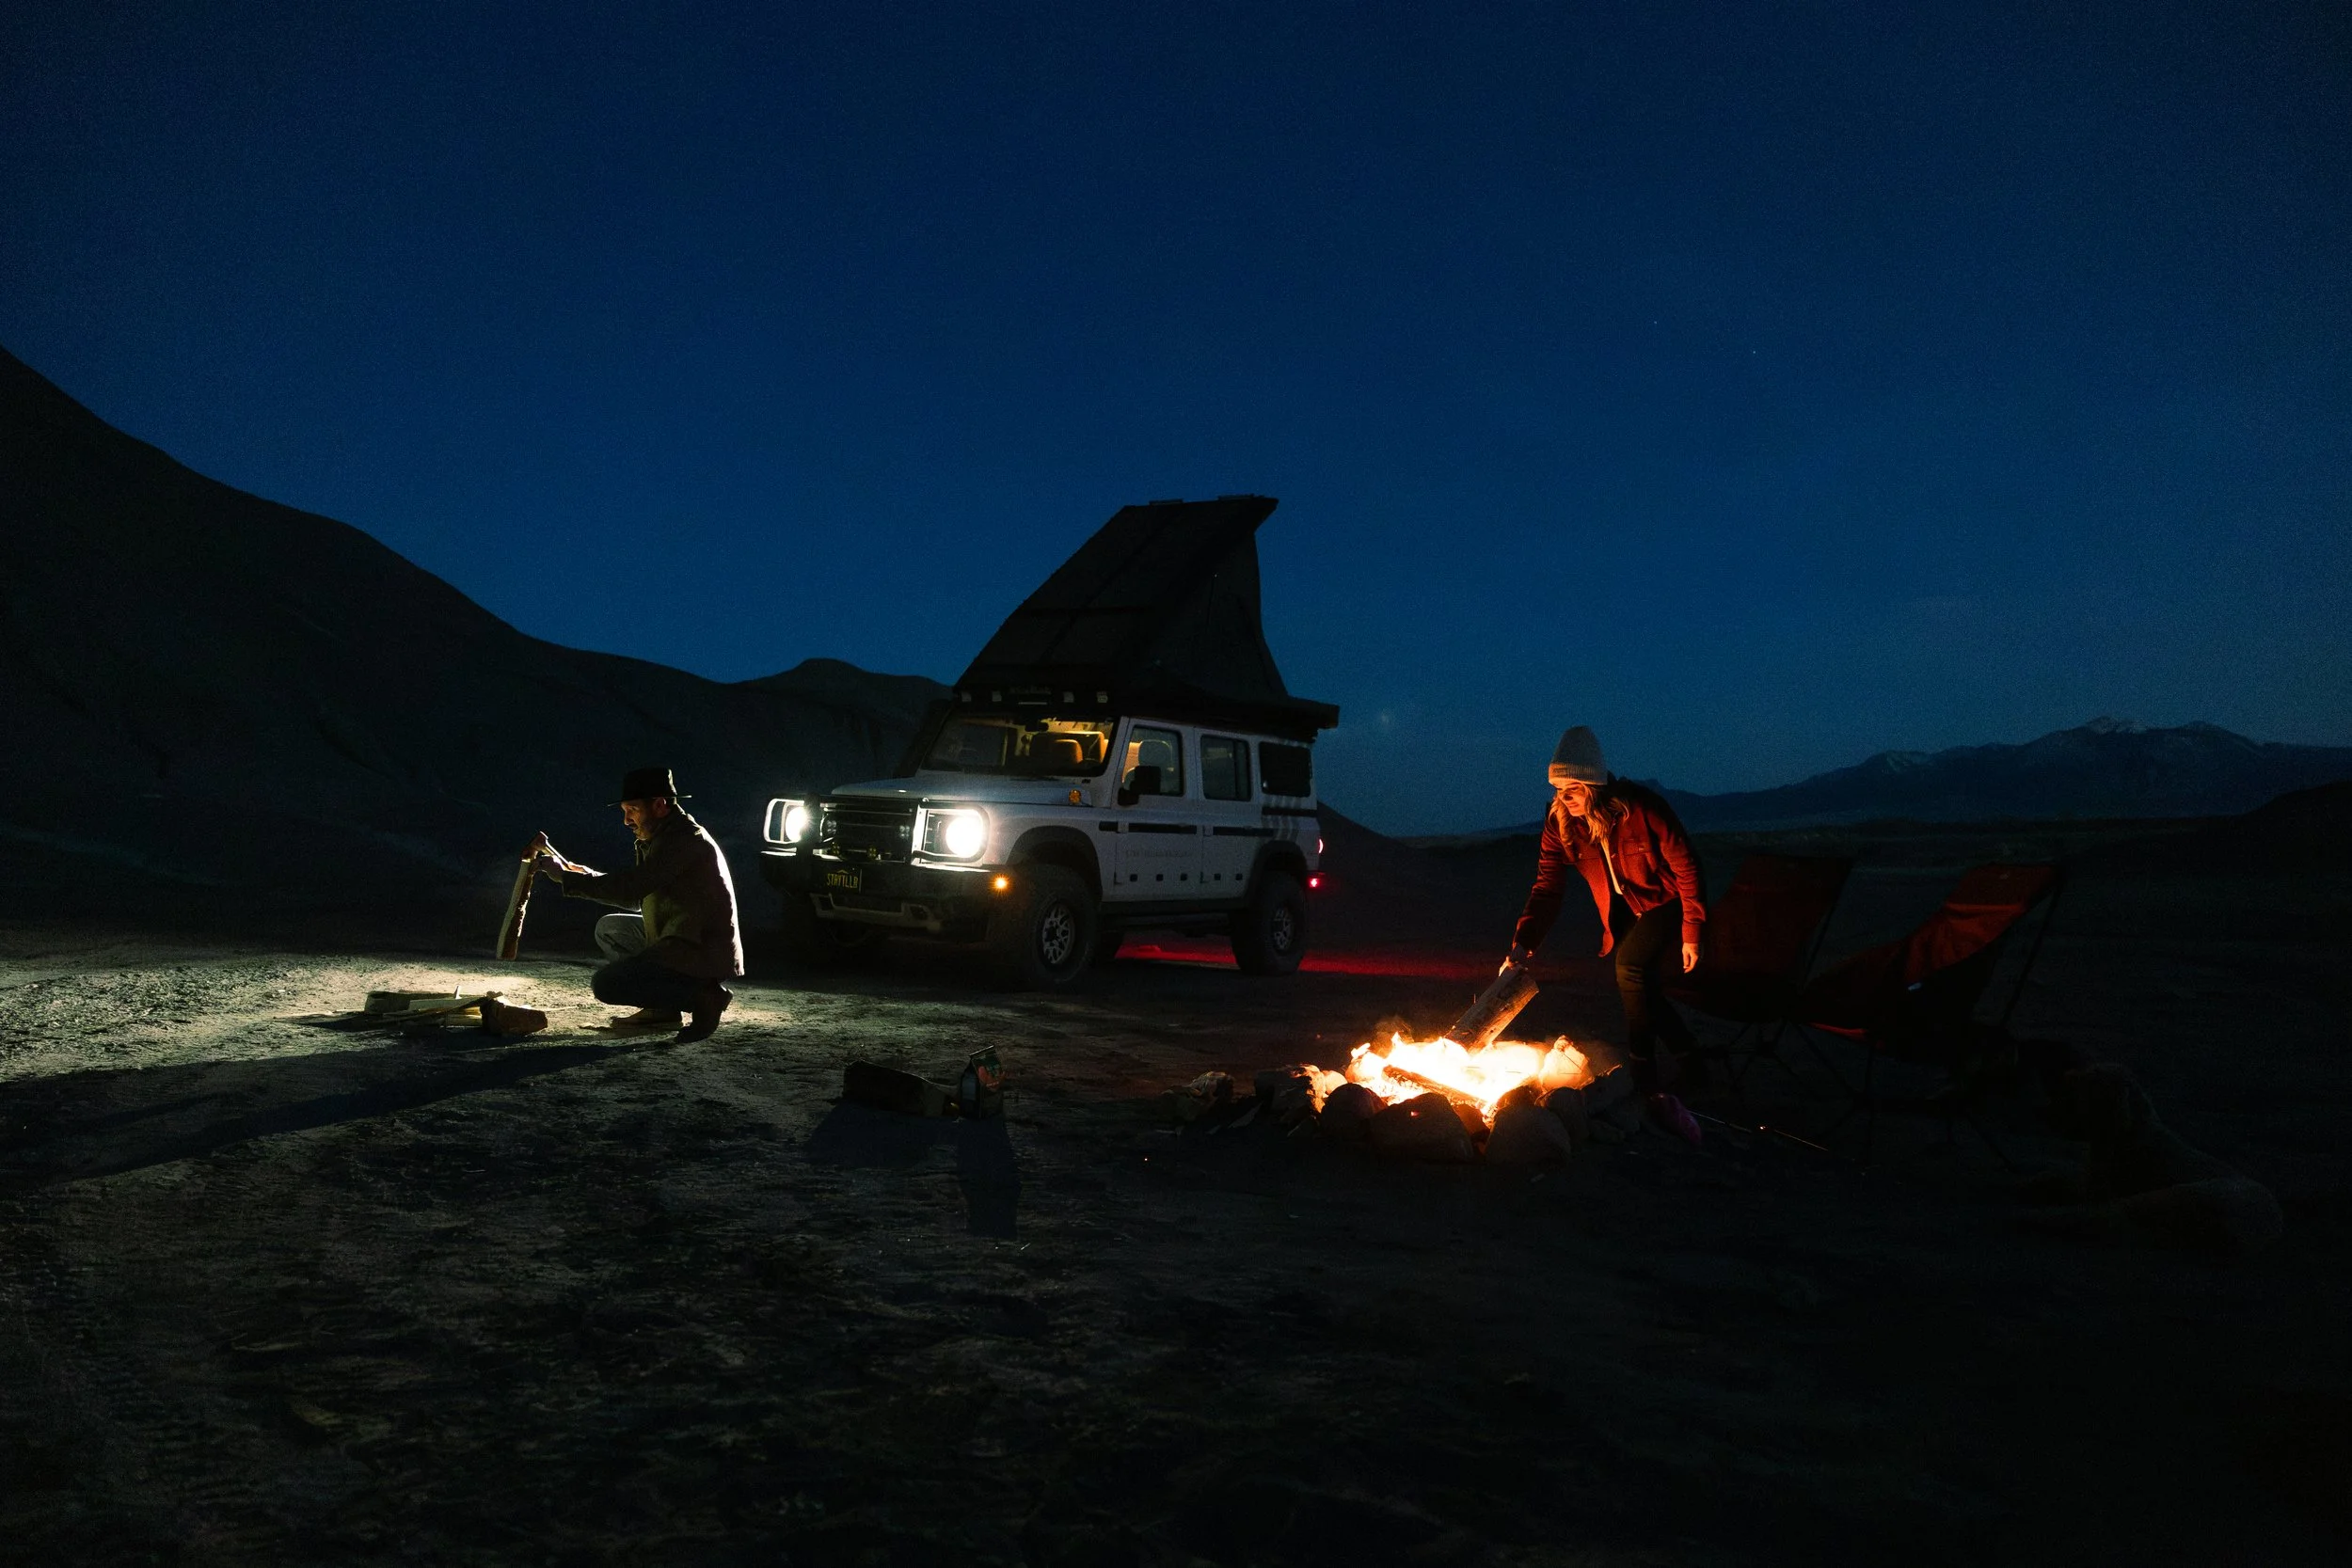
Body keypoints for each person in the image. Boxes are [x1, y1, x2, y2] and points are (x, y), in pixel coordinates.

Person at [1503, 726, 1707, 1095]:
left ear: (1593, 783)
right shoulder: (1558, 823)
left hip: (1665, 901)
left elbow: (1686, 865)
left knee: (1629, 969)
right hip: (1625, 910)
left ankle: (1643, 1071)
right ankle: (1693, 1059)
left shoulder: (1641, 808)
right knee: (1643, 989)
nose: (1564, 799)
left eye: (1574, 789)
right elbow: (1547, 887)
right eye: (1558, 790)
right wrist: (1523, 944)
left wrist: (1692, 931)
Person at [533, 767, 743, 1041]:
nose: (626, 820)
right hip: (680, 937)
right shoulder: (663, 837)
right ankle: (662, 1010)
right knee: (611, 929)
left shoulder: (684, 841)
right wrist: (582, 875)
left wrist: (567, 879)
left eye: (632, 810)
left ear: (659, 805)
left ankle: (704, 997)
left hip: (698, 949)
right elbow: (637, 897)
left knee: (607, 985)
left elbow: (631, 889)